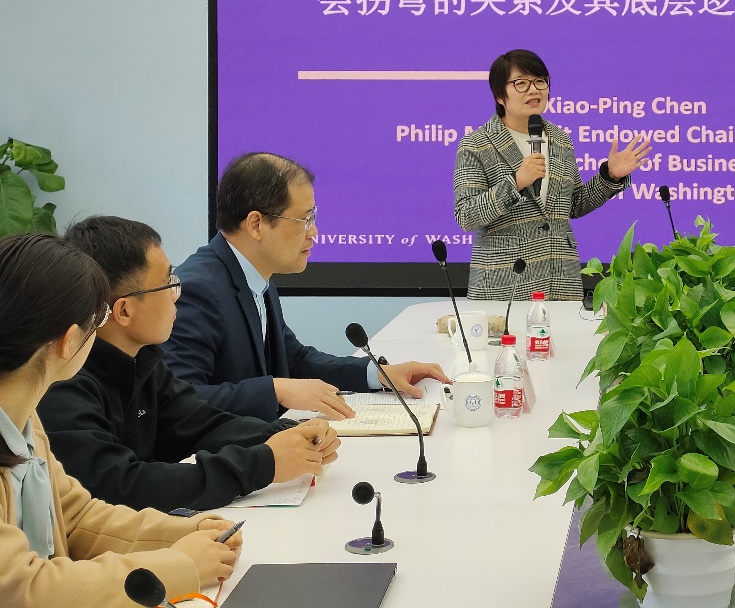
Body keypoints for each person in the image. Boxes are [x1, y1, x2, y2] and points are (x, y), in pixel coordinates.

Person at [0, 232, 242, 608]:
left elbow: (76, 517)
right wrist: (180, 565)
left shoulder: (24, 417)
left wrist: (183, 531)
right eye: (97, 319)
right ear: (68, 341)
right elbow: (22, 587)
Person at [40, 216, 341, 512]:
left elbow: (199, 424)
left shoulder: (141, 360)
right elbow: (124, 485)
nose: (176, 297)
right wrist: (263, 464)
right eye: (166, 285)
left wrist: (287, 434)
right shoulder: (62, 384)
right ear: (124, 311)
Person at [164, 152, 450, 421]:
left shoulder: (253, 276)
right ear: (256, 224)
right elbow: (180, 401)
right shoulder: (198, 290)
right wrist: (276, 390)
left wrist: (379, 374)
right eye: (304, 219)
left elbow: (294, 359)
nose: (313, 232)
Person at [454, 49, 652, 301]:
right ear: (500, 95)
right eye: (521, 83)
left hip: (560, 280)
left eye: (540, 81)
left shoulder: (560, 140)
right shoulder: (476, 145)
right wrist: (516, 182)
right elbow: (466, 216)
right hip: (504, 285)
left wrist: (609, 177)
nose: (534, 90)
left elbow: (574, 205)